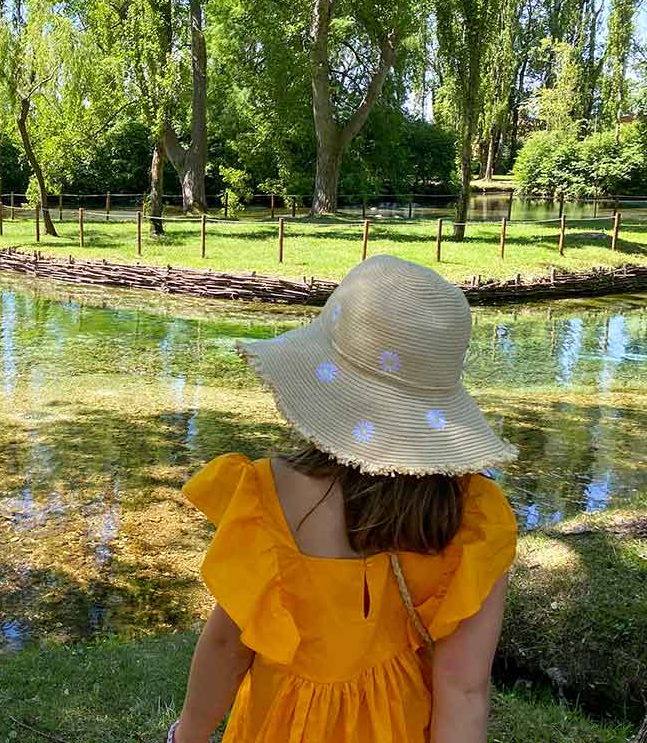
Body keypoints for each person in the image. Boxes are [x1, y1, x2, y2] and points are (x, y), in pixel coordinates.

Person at [169, 255, 519, 743]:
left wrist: (188, 735)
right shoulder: (474, 518)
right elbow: (463, 687)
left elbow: (228, 645)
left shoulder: (266, 495)